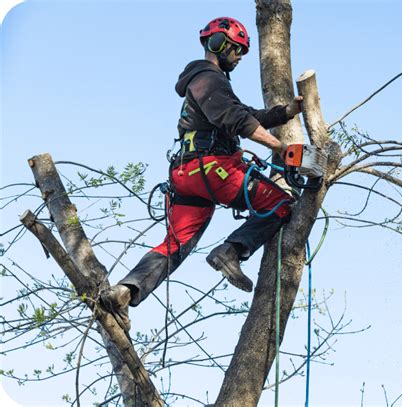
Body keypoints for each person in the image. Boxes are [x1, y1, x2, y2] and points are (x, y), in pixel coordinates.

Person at [100, 16, 303, 331]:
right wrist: (281, 148)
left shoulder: (209, 83)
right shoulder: (206, 76)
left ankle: (125, 291)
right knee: (282, 204)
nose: (238, 56)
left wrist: (284, 113)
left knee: (176, 243)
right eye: (235, 49)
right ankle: (231, 251)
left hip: (187, 175)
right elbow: (235, 118)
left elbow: (244, 112)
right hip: (213, 169)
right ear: (217, 44)